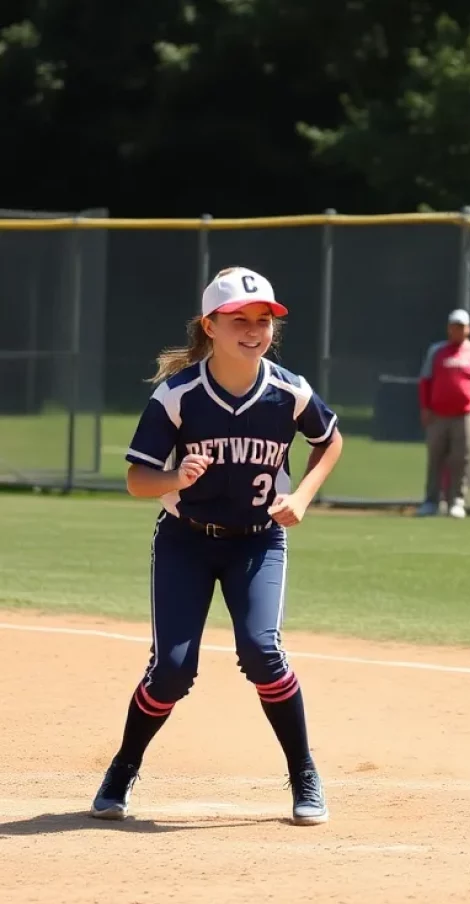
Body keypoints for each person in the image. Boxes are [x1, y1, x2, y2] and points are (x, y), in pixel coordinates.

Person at [90, 266, 343, 825]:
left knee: (262, 652)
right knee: (171, 672)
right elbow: (137, 480)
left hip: (258, 543)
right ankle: (124, 768)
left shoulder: (287, 390)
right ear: (210, 325)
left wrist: (301, 495)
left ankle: (304, 771)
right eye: (239, 320)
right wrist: (176, 478)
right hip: (186, 541)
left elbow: (330, 441)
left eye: (263, 320)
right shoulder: (178, 395)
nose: (253, 330)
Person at [417, 309, 470, 518]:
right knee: (435, 458)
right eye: (454, 326)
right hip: (438, 415)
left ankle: (456, 500)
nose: (458, 330)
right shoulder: (436, 351)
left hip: (466, 415)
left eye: (462, 326)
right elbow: (425, 381)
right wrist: (425, 408)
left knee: (461, 458)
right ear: (449, 328)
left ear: (469, 329)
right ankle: (431, 501)